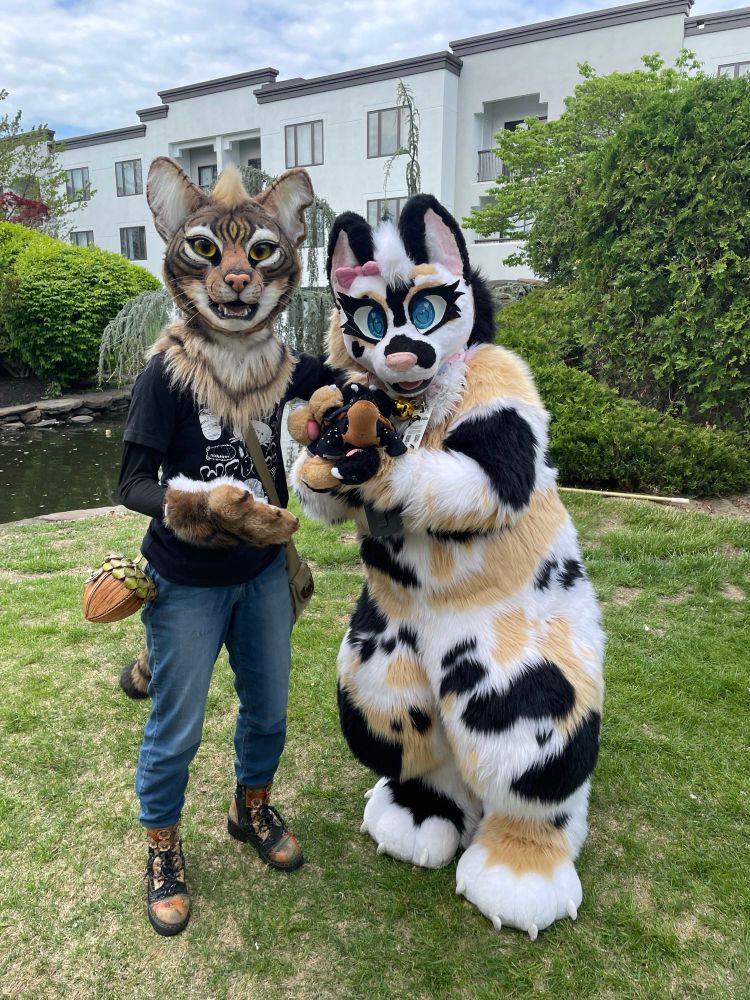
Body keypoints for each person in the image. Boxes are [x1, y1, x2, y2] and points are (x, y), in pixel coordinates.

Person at [117, 155, 338, 936]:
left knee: (270, 713)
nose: (238, 276)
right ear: (176, 251)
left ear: (287, 258)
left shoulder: (290, 365)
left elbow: (347, 397)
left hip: (263, 576)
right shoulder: (166, 375)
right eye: (211, 254)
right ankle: (164, 847)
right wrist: (199, 502)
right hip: (185, 581)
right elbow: (132, 484)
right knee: (176, 728)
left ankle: (252, 809)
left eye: (260, 255)